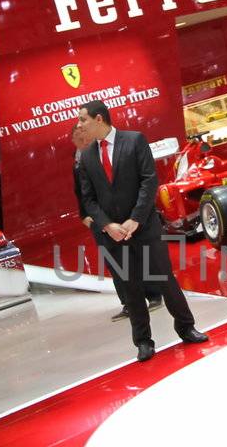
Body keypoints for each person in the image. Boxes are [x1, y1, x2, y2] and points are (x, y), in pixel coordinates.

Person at [73, 101, 209, 362]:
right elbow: (88, 199)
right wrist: (107, 225)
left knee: (164, 280)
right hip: (113, 234)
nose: (79, 125)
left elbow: (149, 181)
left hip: (143, 228)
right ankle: (143, 342)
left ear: (99, 119)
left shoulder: (134, 140)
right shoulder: (87, 156)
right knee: (130, 288)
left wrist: (135, 219)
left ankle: (186, 327)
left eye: (83, 119)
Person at [70, 122, 162, 319]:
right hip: (97, 218)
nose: (82, 139)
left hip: (122, 215)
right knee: (114, 262)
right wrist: (84, 215)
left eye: (83, 134)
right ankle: (128, 303)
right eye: (78, 137)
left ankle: (154, 294)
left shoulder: (112, 149)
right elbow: (82, 193)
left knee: (141, 256)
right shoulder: (80, 159)